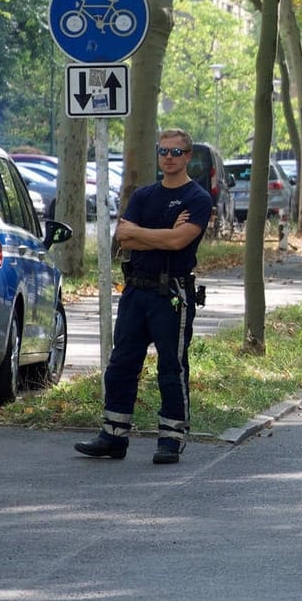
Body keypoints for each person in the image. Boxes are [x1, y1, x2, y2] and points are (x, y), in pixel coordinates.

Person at [76, 128, 213, 465]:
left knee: (171, 366)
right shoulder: (142, 195)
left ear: (188, 157)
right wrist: (161, 233)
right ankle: (113, 435)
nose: (168, 157)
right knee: (121, 363)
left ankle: (170, 439)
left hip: (172, 293)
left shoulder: (197, 199)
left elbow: (178, 243)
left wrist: (147, 235)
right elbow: (124, 237)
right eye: (163, 151)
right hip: (136, 290)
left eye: (176, 152)